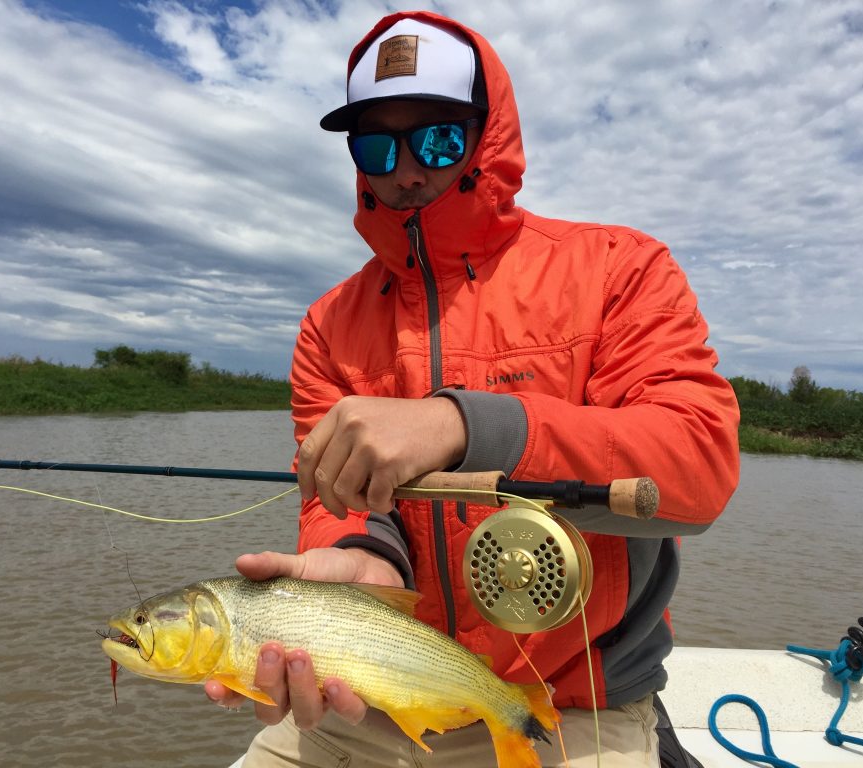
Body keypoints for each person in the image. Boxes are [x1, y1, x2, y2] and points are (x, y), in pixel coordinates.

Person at [206, 10, 740, 768]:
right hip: (376, 690)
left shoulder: (621, 268)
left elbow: (700, 466)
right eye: (375, 144)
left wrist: (466, 424)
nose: (407, 169)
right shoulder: (327, 326)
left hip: (571, 707)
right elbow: (333, 500)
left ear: (487, 140)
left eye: (438, 138)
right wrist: (367, 563)